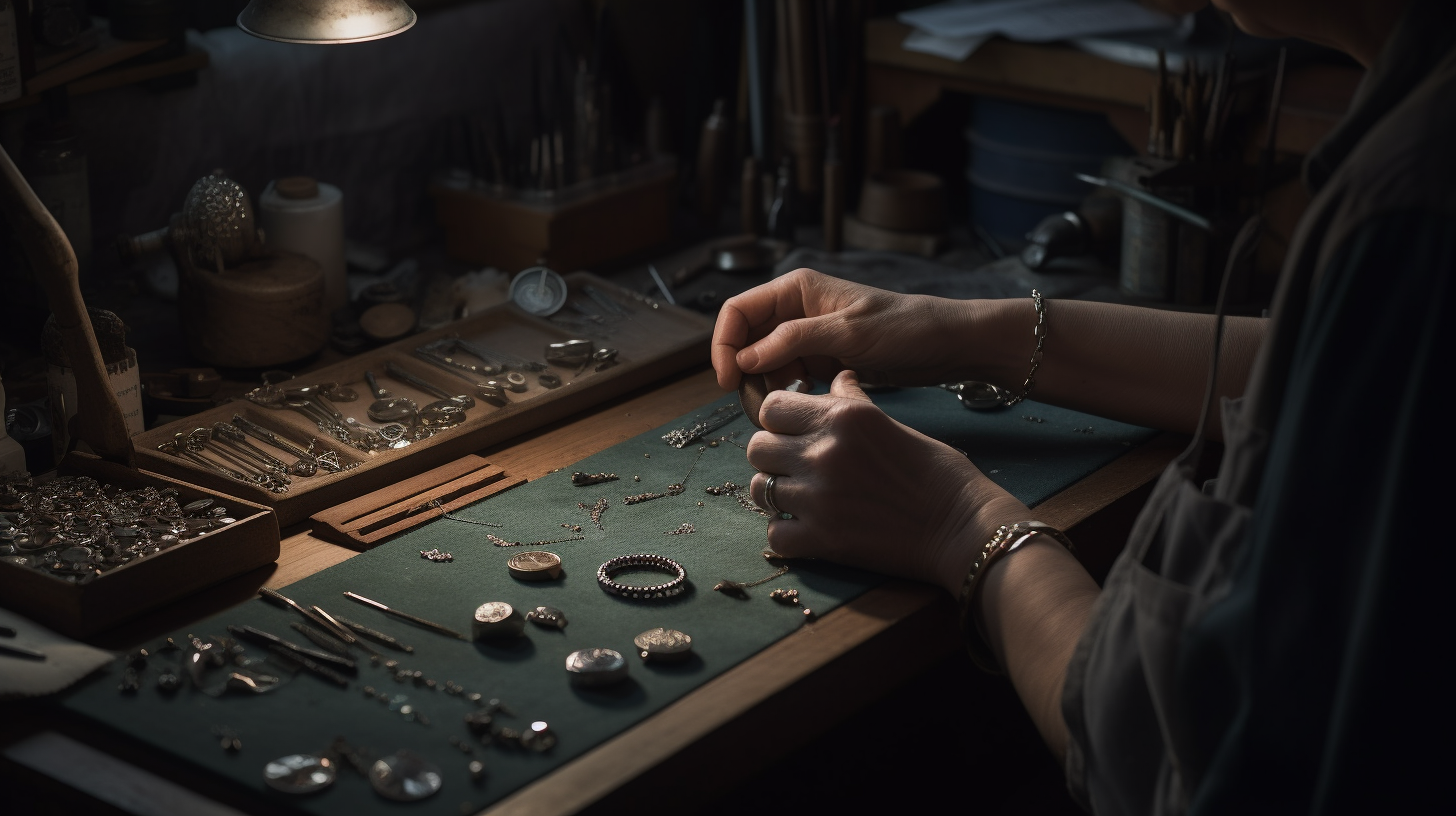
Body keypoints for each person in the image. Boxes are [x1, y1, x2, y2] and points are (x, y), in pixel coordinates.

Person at [710, 0, 1454, 812]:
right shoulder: (1417, 142)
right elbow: (1310, 362)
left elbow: (1183, 775)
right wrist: (964, 327)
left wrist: (956, 522)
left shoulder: (1412, 212)